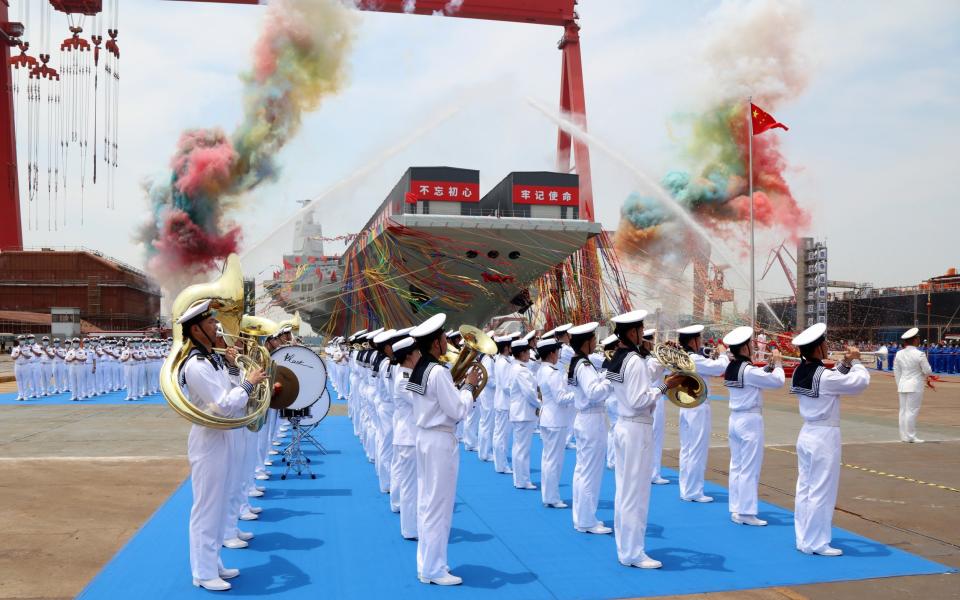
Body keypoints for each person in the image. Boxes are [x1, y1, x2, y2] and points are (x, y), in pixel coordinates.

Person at [177, 298, 267, 591]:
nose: (216, 325)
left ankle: (213, 562)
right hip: (210, 440)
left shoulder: (212, 359)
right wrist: (248, 383)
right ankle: (202, 572)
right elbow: (224, 406)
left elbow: (230, 394)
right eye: (210, 322)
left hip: (224, 436)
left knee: (221, 500)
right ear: (196, 330)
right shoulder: (195, 365)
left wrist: (232, 367)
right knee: (207, 507)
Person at [606, 310, 683, 569]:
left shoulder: (621, 357)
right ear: (632, 332)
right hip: (636, 428)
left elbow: (639, 379)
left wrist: (661, 360)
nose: (644, 334)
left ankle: (625, 548)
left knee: (625, 491)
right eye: (641, 330)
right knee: (636, 493)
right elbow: (640, 400)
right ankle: (633, 552)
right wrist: (665, 386)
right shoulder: (634, 361)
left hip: (624, 428)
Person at [406, 313, 478, 586]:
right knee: (439, 506)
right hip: (438, 440)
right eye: (444, 338)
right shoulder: (438, 372)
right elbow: (457, 410)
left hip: (425, 437)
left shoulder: (422, 368)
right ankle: (434, 568)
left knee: (427, 503)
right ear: (436, 343)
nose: (448, 341)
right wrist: (469, 386)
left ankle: (428, 563)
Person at [790, 322, 870, 556]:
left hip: (807, 433)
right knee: (821, 490)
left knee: (804, 488)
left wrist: (844, 364)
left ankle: (804, 538)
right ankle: (817, 542)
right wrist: (855, 361)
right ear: (818, 349)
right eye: (824, 343)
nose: (827, 346)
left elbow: (832, 377)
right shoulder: (824, 376)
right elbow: (860, 382)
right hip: (824, 436)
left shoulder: (800, 371)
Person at [722, 326, 785, 527]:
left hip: (735, 419)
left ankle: (736, 507)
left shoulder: (732, 367)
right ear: (744, 348)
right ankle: (747, 512)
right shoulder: (747, 370)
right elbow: (777, 382)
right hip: (749, 421)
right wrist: (779, 364)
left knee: (737, 466)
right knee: (749, 467)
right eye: (749, 344)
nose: (752, 346)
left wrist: (767, 367)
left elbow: (754, 377)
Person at [568, 321, 615, 535]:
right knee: (591, 472)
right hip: (591, 419)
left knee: (582, 470)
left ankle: (582, 517)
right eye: (593, 338)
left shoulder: (579, 362)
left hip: (586, 419)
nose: (596, 341)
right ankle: (587, 520)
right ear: (587, 342)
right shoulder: (584, 366)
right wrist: (609, 380)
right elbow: (594, 392)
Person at [676, 324, 729, 503]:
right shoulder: (693, 359)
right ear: (693, 340)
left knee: (687, 449)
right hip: (698, 406)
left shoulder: (682, 357)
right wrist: (722, 353)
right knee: (697, 449)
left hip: (686, 404)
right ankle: (694, 491)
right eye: (699, 338)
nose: (700, 342)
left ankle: (686, 488)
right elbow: (719, 368)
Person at [536, 337, 573, 508]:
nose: (559, 354)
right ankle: (552, 497)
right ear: (551, 353)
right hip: (555, 420)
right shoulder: (552, 372)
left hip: (548, 418)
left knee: (548, 459)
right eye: (557, 351)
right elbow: (561, 398)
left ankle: (548, 495)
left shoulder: (544, 369)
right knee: (554, 461)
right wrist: (578, 394)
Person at [391, 336, 421, 539]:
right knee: (410, 486)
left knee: (415, 484)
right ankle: (410, 529)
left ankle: (414, 525)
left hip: (412, 436)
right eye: (417, 352)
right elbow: (421, 401)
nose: (420, 355)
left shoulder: (409, 375)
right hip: (408, 438)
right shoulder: (404, 379)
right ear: (409, 356)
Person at [507, 338, 539, 490]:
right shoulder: (520, 370)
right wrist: (540, 405)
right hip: (523, 413)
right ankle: (522, 480)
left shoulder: (515, 367)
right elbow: (530, 393)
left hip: (520, 412)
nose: (529, 354)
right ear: (522, 353)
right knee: (522, 449)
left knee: (519, 447)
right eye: (527, 351)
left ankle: (519, 478)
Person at [893, 327, 933, 443]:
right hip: (915, 385)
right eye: (918, 338)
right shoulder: (920, 354)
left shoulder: (899, 354)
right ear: (915, 340)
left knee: (903, 411)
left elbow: (896, 371)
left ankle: (904, 436)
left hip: (902, 384)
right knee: (912, 411)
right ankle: (911, 436)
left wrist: (899, 384)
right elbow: (928, 371)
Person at [644, 329, 670, 485]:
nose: (653, 343)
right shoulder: (652, 360)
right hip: (656, 398)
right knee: (656, 436)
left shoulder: (647, 358)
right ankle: (654, 473)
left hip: (650, 398)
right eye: (651, 341)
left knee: (649, 437)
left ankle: (650, 471)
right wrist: (668, 351)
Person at [492, 333, 517, 474]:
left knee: (499, 434)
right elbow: (506, 386)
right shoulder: (504, 363)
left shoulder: (502, 360)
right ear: (507, 347)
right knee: (502, 435)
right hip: (504, 403)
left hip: (502, 402)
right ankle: (501, 465)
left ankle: (499, 463)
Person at [476, 334, 498, 463]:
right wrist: (499, 385)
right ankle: (485, 452)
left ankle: (483, 451)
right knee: (487, 423)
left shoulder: (487, 358)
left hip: (487, 394)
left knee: (485, 422)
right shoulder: (488, 359)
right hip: (488, 394)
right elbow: (489, 379)